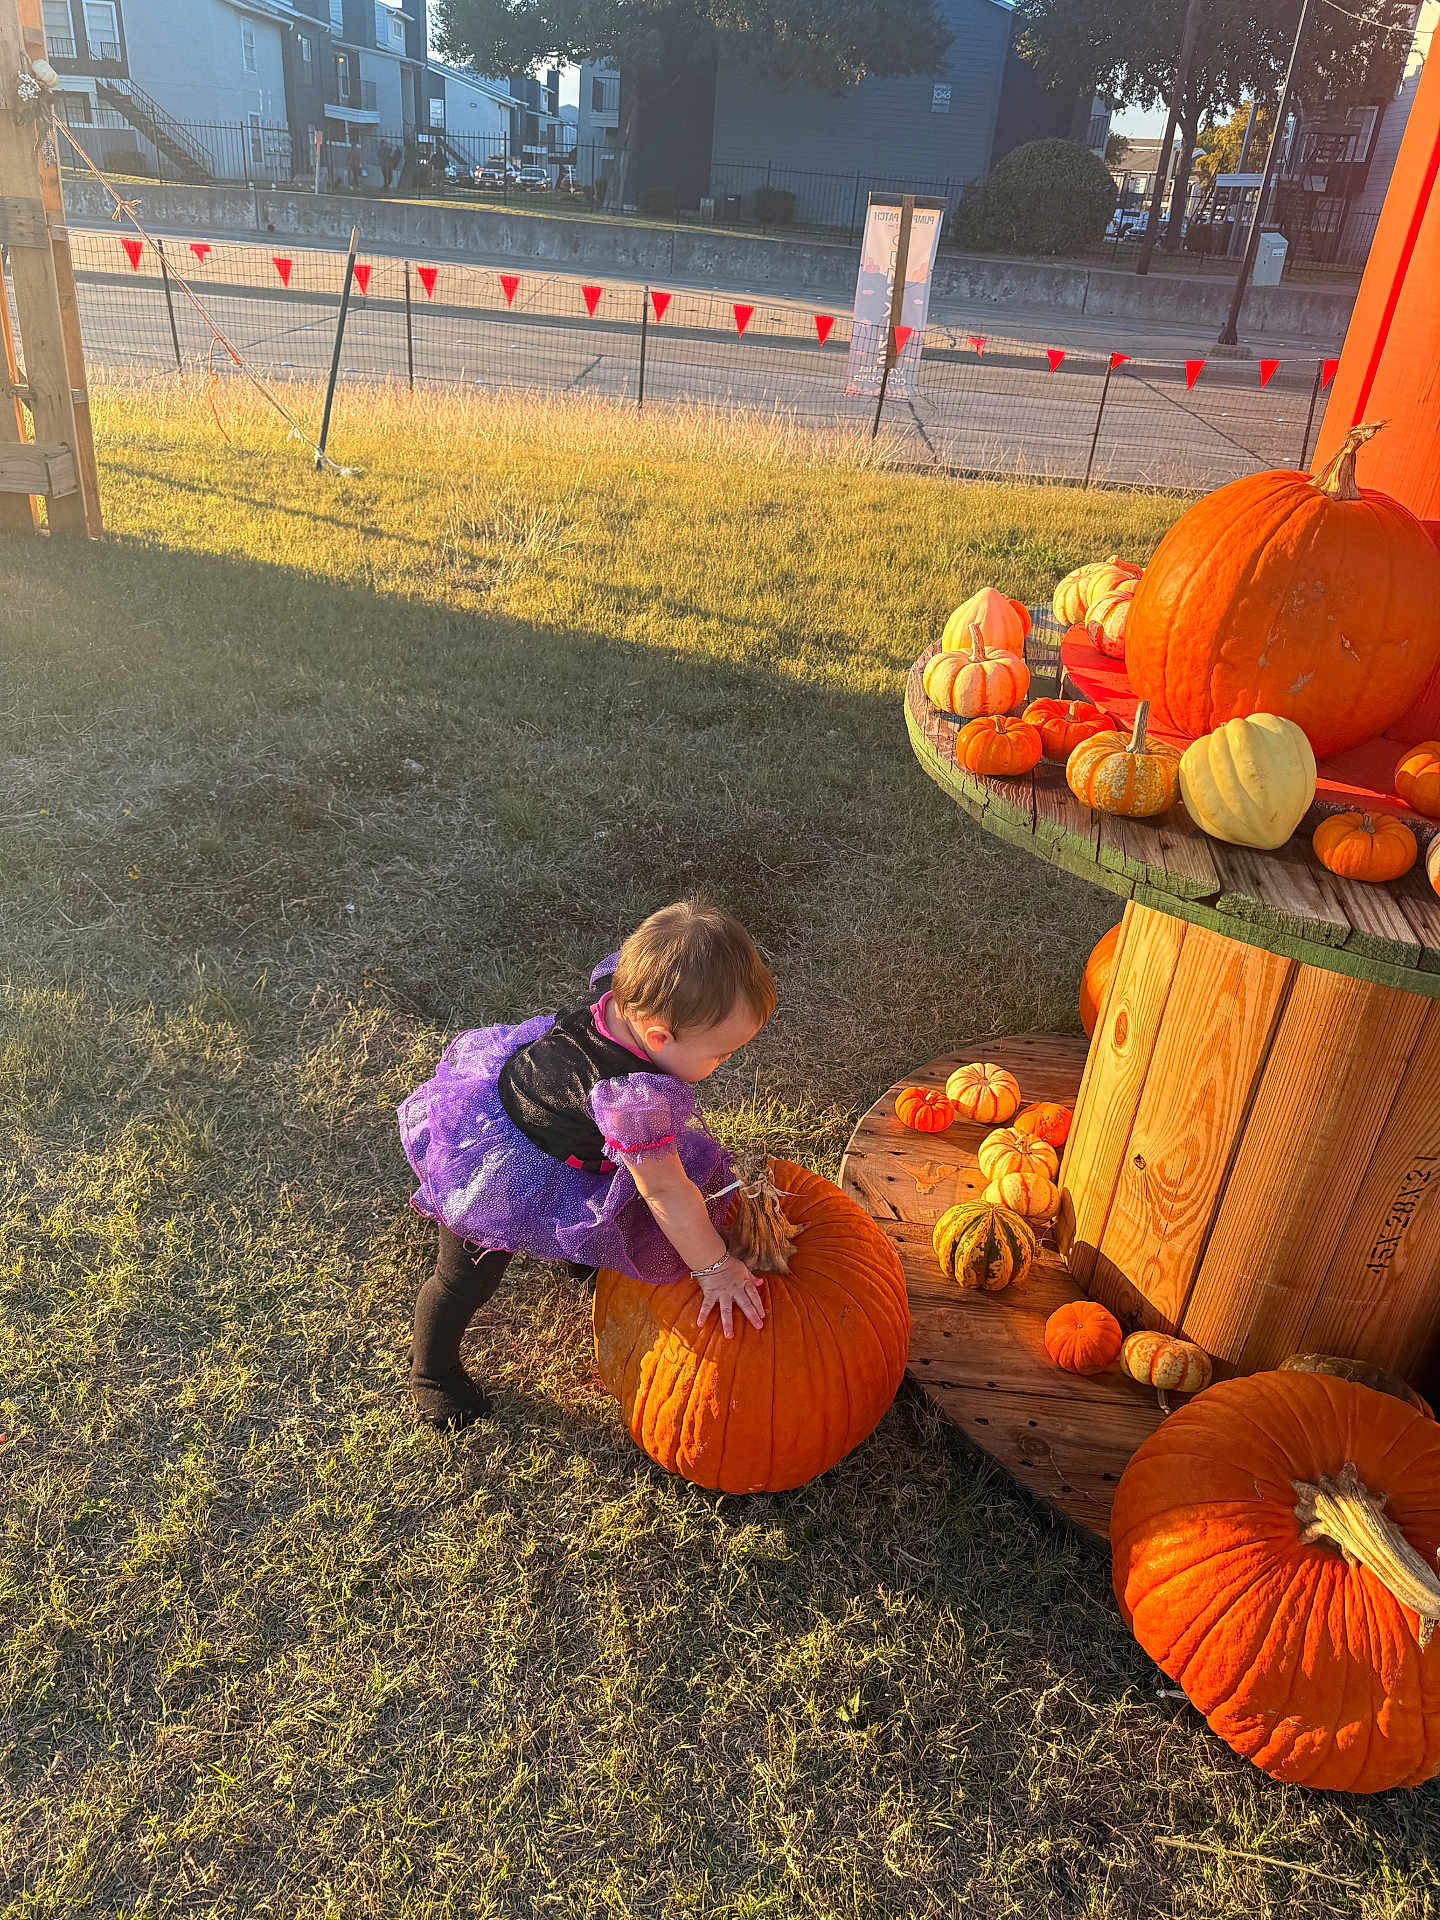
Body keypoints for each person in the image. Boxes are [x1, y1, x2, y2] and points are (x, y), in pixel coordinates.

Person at [399, 900, 775, 1429]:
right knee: (465, 1280)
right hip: (501, 1169)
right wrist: (715, 1270)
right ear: (659, 1037)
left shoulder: (625, 984)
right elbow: (666, 1194)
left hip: (566, 1123)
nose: (723, 1065)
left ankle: (580, 1256)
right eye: (721, 1054)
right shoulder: (634, 1101)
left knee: (611, 1195)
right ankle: (431, 1373)